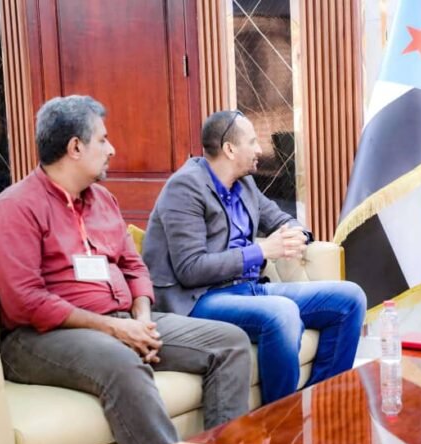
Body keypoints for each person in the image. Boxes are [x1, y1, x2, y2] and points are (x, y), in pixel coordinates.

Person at [0, 96, 252, 444]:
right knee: (122, 361)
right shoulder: (15, 208)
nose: (112, 150)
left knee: (230, 343)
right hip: (41, 336)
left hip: (122, 318)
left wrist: (141, 318)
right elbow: (25, 301)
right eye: (103, 140)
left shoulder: (103, 200)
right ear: (75, 147)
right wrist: (114, 329)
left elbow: (134, 266)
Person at [142, 110, 366, 404]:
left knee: (350, 298)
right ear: (230, 149)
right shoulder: (185, 187)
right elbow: (191, 268)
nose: (260, 149)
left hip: (248, 289)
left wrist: (296, 234)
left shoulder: (244, 184)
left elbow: (281, 219)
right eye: (252, 142)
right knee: (281, 313)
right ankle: (283, 419)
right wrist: (261, 251)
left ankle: (323, 406)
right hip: (199, 298)